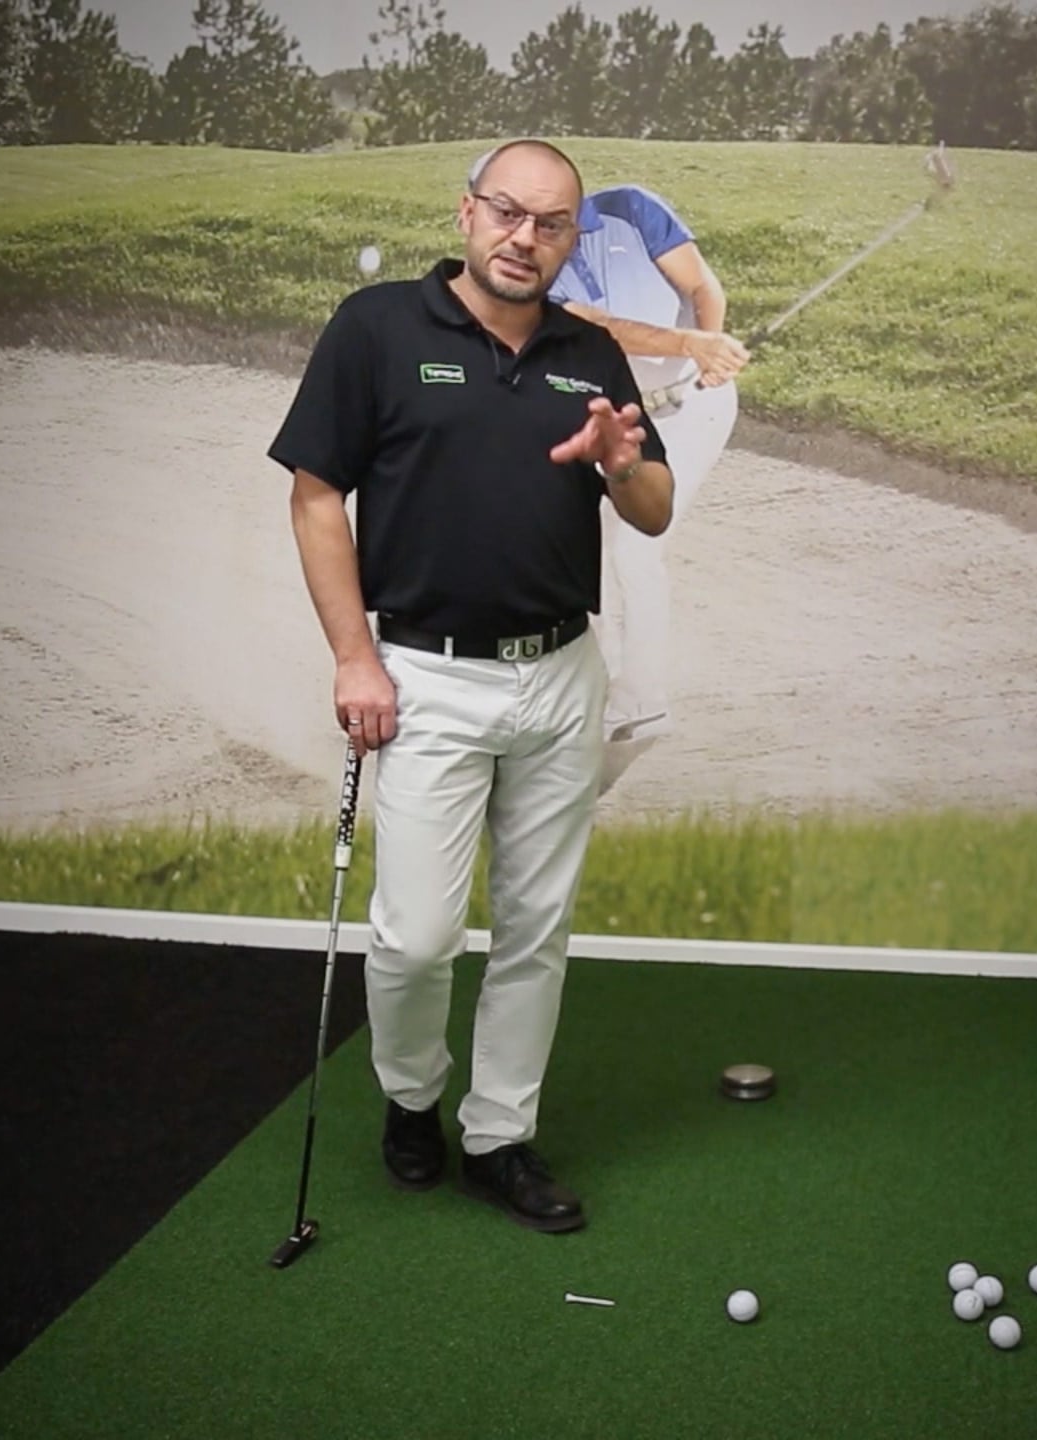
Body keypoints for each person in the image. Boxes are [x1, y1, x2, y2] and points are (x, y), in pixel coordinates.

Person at [268, 138, 674, 1235]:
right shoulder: (378, 329)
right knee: (413, 938)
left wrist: (619, 461)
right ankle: (411, 1099)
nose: (524, 238)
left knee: (536, 927)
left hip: (561, 673)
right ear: (466, 213)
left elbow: (653, 509)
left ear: (572, 240)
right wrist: (354, 657)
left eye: (550, 224)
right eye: (507, 212)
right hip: (424, 677)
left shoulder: (592, 352)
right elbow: (315, 497)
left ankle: (499, 1137)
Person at [545, 183, 749, 792]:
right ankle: (605, 693)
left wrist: (710, 353)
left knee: (635, 548)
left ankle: (643, 704)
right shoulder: (533, 267)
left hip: (692, 410)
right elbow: (600, 328)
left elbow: (703, 286)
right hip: (624, 425)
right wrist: (692, 343)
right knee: (593, 550)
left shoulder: (632, 210)